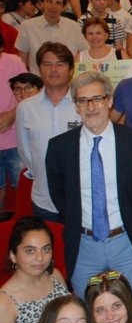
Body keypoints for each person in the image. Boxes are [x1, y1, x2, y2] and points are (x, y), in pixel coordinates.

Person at [46, 71, 132, 317]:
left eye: (97, 98)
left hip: (126, 242)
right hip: (84, 245)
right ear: (76, 106)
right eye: (83, 101)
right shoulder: (60, 147)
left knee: (131, 314)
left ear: (110, 101)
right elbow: (59, 194)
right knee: (88, 316)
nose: (91, 106)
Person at [16, 43, 82, 221]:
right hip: (43, 198)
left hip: (82, 199)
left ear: (70, 69)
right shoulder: (25, 108)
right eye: (47, 64)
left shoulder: (83, 104)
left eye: (60, 63)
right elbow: (25, 151)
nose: (53, 69)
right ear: (39, 68)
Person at [0, 217, 70, 323]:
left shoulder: (55, 277)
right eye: (30, 250)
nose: (40, 258)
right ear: (13, 255)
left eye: (46, 249)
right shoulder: (4, 303)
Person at [15, 0, 88, 74]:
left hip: (67, 82)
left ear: (64, 7)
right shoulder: (27, 26)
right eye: (49, 1)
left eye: (58, 3)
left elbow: (84, 54)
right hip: (38, 82)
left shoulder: (74, 27)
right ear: (41, 3)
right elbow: (22, 60)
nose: (53, 6)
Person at [0, 33, 26, 213]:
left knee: (21, 187)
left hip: (15, 138)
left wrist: (13, 114)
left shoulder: (15, 62)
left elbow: (30, 94)